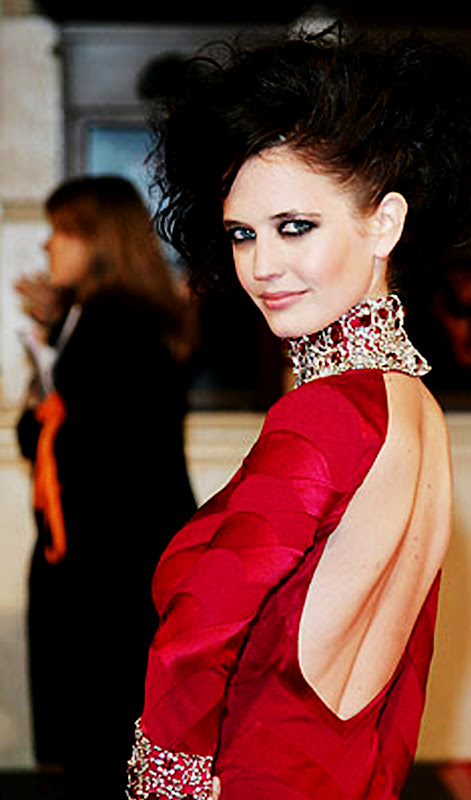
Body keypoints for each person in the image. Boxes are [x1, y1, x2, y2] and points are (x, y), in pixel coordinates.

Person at [126, 25, 471, 800]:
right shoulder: (413, 404)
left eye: (294, 226)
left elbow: (195, 638)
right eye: (241, 234)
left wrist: (161, 781)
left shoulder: (329, 415)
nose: (261, 265)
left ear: (383, 223)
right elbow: (402, 685)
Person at [15, 175, 198, 796]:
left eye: (62, 231)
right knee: (116, 737)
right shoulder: (114, 318)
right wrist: (55, 330)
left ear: (99, 240)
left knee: (105, 742)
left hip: (109, 569)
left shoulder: (114, 326)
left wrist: (38, 412)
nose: (49, 245)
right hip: (122, 559)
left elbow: (77, 444)